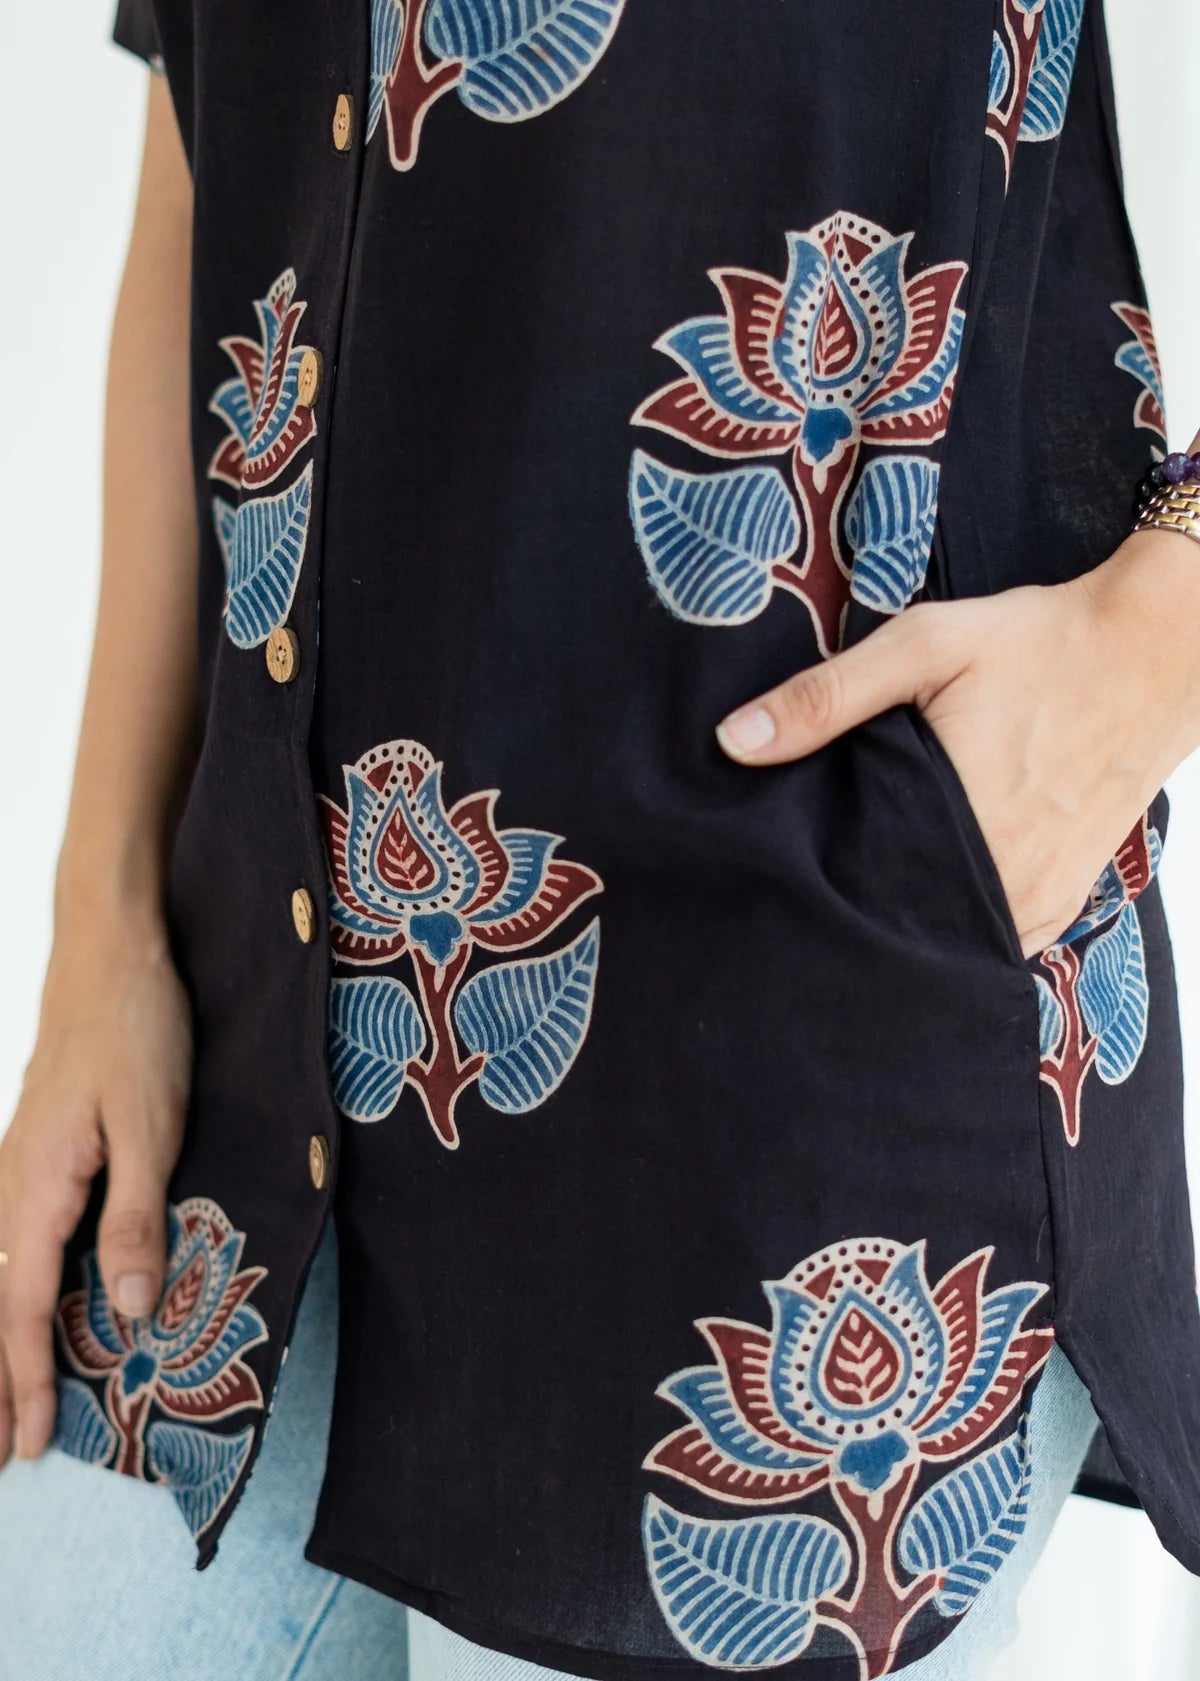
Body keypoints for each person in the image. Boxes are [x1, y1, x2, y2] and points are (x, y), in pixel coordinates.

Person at [1, 2, 1200, 1678]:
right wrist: (100, 913)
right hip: (249, 1046)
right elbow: (202, 149)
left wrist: (1161, 632)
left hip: (773, 1104)